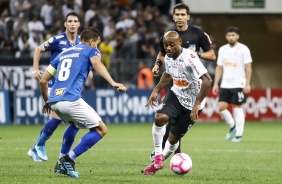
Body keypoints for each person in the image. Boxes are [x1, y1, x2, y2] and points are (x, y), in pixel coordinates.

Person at [40, 26, 127, 178]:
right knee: (101, 129)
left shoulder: (63, 54)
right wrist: (113, 82)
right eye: (97, 43)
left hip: (55, 101)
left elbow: (43, 81)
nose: (97, 47)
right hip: (71, 99)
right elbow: (97, 64)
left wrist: (47, 101)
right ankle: (67, 159)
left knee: (74, 124)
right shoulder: (91, 50)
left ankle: (62, 159)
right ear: (92, 41)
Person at [150, 3, 216, 161]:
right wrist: (157, 65)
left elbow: (212, 55)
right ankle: (170, 154)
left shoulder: (198, 33)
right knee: (165, 118)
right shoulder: (168, 36)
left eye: (182, 15)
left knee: (175, 124)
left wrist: (196, 54)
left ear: (188, 17)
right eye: (177, 15)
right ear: (173, 17)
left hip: (194, 84)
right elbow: (161, 54)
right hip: (175, 84)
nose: (179, 18)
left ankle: (171, 152)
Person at [142, 31, 212, 175]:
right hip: (177, 94)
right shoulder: (168, 57)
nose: (168, 48)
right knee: (159, 118)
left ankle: (157, 165)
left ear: (179, 42)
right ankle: (158, 156)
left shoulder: (190, 58)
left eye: (171, 45)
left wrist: (197, 104)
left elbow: (207, 80)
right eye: (166, 45)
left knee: (173, 139)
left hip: (193, 102)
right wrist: (155, 91)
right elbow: (168, 74)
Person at [28, 12, 81, 162]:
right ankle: (50, 151)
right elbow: (38, 49)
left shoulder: (80, 42)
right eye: (69, 21)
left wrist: (89, 70)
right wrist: (35, 69)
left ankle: (38, 147)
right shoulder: (57, 40)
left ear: (78, 24)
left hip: (71, 87)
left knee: (74, 123)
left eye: (75, 21)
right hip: (55, 84)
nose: (72, 23)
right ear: (65, 24)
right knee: (61, 117)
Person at [212, 26, 252, 142]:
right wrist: (216, 84)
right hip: (225, 84)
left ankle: (239, 135)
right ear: (226, 36)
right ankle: (232, 126)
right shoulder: (222, 49)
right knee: (221, 107)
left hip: (239, 83)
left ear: (237, 36)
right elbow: (219, 67)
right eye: (229, 35)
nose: (231, 37)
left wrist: (247, 83)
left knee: (237, 107)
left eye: (233, 35)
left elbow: (248, 67)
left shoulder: (244, 49)